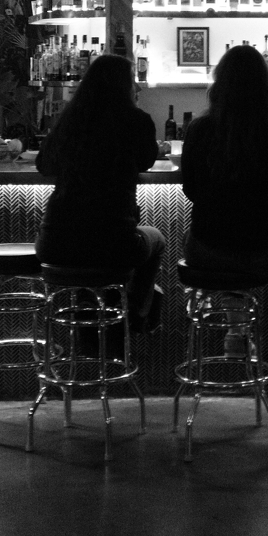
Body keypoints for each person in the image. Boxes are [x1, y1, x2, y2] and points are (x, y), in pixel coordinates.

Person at [35, 53, 165, 331]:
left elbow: (43, 164)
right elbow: (147, 160)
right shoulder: (136, 120)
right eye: (133, 82)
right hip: (113, 245)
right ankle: (135, 314)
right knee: (158, 239)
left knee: (87, 261)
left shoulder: (70, 120)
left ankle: (86, 322)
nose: (137, 88)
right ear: (124, 86)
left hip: (56, 244)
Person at [179, 44, 268, 281]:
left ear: (219, 83)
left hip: (207, 251)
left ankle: (217, 312)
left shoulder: (199, 129)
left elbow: (191, 189)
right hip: (265, 253)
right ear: (265, 87)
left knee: (191, 237)